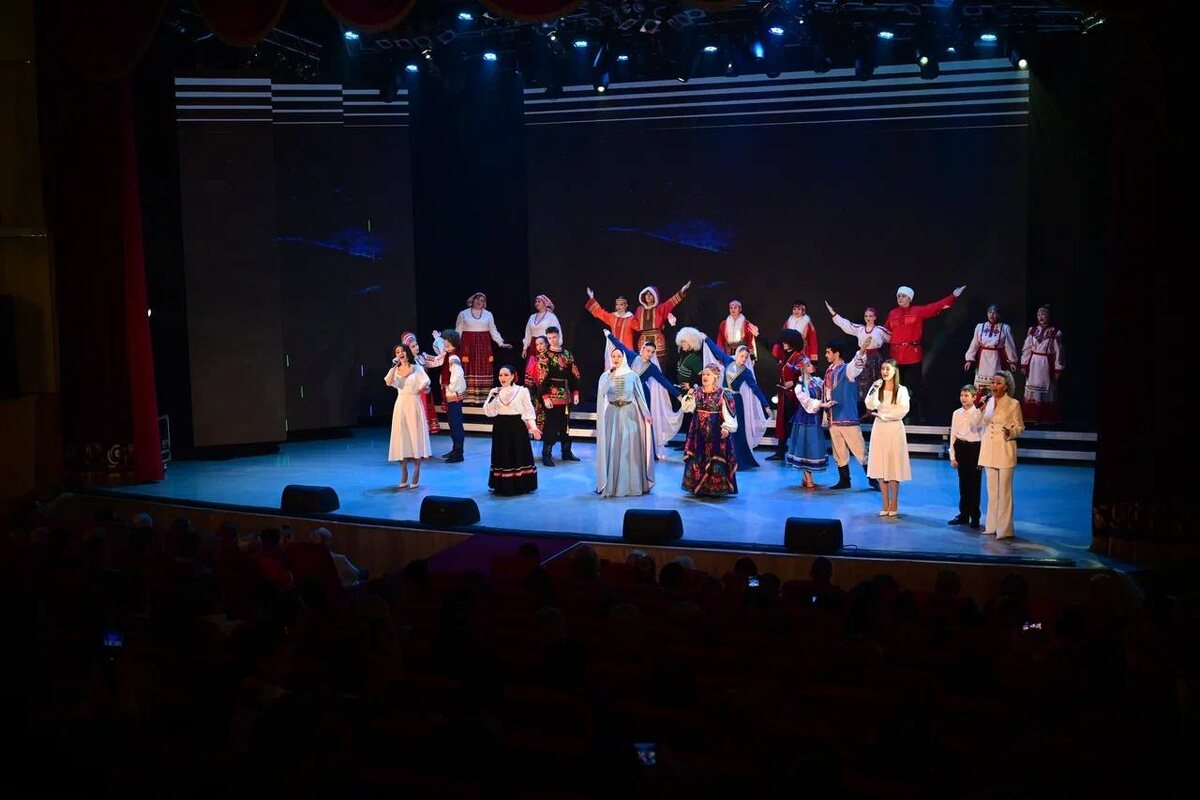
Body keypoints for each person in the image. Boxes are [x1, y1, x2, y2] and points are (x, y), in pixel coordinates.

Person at [884, 284, 966, 422]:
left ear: (909, 298)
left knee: (915, 388)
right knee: (896, 388)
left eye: (903, 296)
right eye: (898, 296)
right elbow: (885, 331)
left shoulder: (917, 311)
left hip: (912, 356)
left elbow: (935, 307)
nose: (900, 298)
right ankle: (897, 415)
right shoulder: (892, 313)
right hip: (896, 357)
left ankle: (917, 416)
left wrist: (953, 296)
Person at [606, 331, 683, 460]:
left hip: (642, 394)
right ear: (642, 349)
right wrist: (609, 336)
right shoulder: (632, 356)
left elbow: (664, 381)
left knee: (644, 422)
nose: (650, 354)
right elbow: (620, 345)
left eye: (652, 352)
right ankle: (629, 451)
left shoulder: (652, 367)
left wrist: (678, 395)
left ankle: (648, 451)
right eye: (648, 351)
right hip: (627, 393)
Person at [594, 348, 655, 497]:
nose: (616, 359)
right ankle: (612, 485)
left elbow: (639, 396)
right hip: (612, 414)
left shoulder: (632, 375)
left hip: (629, 413)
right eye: (613, 356)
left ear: (623, 358)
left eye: (619, 356)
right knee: (613, 447)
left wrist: (646, 414)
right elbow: (601, 394)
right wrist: (611, 376)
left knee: (629, 448)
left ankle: (631, 485)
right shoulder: (605, 376)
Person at [703, 337, 771, 469]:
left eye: (746, 357)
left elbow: (755, 389)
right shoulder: (728, 361)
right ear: (737, 354)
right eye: (742, 356)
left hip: (735, 401)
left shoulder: (746, 372)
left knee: (735, 430)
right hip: (723, 399)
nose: (744, 359)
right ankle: (721, 458)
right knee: (721, 427)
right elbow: (717, 350)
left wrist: (766, 405)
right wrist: (706, 339)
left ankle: (735, 459)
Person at [820, 339, 876, 490]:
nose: (826, 355)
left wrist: (862, 350)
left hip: (847, 417)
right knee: (839, 451)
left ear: (836, 353)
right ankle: (844, 480)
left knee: (860, 450)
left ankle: (873, 480)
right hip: (833, 418)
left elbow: (857, 364)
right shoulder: (829, 371)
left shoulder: (847, 370)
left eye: (828, 352)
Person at [680, 363, 739, 496]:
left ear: (715, 377)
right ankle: (700, 487)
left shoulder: (723, 393)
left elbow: (730, 413)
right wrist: (689, 396)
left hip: (715, 431)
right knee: (698, 457)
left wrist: (727, 427)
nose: (705, 377)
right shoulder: (697, 392)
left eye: (708, 374)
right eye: (703, 374)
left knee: (715, 457)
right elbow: (687, 409)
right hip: (698, 432)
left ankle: (715, 489)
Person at [978, 370, 1025, 539]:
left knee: (1004, 492)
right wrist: (981, 409)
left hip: (1005, 449)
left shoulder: (1013, 404)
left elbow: (1020, 427)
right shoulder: (988, 402)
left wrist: (1010, 432)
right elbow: (979, 424)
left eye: (998, 383)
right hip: (989, 449)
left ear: (1006, 386)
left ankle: (1005, 530)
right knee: (992, 491)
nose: (994, 386)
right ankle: (991, 526)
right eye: (993, 382)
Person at [864, 359, 912, 516]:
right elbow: (869, 404)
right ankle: (885, 502)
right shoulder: (877, 386)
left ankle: (894, 502)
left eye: (888, 369)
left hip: (894, 429)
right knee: (880, 466)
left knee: (893, 466)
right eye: (883, 369)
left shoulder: (901, 390)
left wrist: (884, 416)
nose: (884, 372)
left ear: (894, 371)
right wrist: (874, 389)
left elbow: (903, 410)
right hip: (879, 429)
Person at [482, 365, 541, 496]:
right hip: (500, 428)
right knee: (502, 455)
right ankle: (502, 485)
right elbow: (488, 412)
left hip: (517, 427)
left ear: (513, 376)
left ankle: (520, 485)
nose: (502, 378)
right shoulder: (495, 391)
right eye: (500, 375)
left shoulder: (522, 391)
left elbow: (528, 411)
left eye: (506, 375)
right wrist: (492, 398)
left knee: (517, 454)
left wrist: (533, 428)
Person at [826, 300, 890, 405]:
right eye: (866, 316)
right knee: (862, 383)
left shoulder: (880, 330)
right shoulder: (860, 329)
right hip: (863, 358)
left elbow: (893, 338)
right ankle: (863, 407)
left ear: (875, 317)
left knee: (876, 382)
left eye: (870, 316)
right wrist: (833, 313)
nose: (868, 318)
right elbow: (847, 325)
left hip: (875, 359)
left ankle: (875, 406)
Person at [385, 345, 432, 488]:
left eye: (402, 351)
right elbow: (388, 382)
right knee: (402, 437)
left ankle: (417, 471)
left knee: (414, 436)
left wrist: (422, 388)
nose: (400, 353)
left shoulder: (416, 368)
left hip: (413, 404)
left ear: (407, 352)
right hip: (401, 405)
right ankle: (404, 472)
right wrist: (394, 366)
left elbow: (426, 384)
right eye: (397, 352)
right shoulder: (395, 370)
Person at [455, 292, 513, 404]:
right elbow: (458, 330)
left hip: (483, 345)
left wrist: (500, 343)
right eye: (477, 299)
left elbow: (493, 330)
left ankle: (484, 397)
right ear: (473, 300)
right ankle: (469, 398)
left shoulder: (488, 314)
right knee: (468, 367)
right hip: (468, 345)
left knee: (483, 368)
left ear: (484, 303)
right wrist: (454, 343)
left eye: (482, 300)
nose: (479, 302)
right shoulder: (463, 314)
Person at [538, 326, 581, 466]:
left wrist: (575, 392)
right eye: (549, 338)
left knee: (566, 425)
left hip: (566, 395)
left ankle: (566, 452)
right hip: (552, 395)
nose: (552, 340)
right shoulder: (545, 356)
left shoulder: (567, 354)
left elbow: (574, 375)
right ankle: (546, 455)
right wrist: (545, 397)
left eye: (554, 337)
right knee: (551, 425)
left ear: (559, 336)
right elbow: (541, 378)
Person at [785, 356, 828, 489]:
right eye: (808, 365)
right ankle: (808, 477)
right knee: (805, 446)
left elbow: (827, 387)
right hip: (805, 419)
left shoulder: (817, 381)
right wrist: (822, 404)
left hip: (815, 419)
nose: (812, 366)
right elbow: (807, 402)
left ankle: (806, 477)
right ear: (803, 369)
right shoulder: (799, 387)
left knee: (813, 446)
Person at [1020, 304, 1064, 425]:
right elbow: (1027, 348)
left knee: (1047, 389)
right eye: (1039, 315)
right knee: (1032, 389)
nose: (1041, 317)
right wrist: (1024, 364)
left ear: (1049, 316)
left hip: (1046, 363)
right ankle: (1032, 416)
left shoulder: (1055, 332)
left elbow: (1058, 352)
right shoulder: (1033, 330)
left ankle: (1045, 417)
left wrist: (1058, 368)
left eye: (1043, 314)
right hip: (1034, 363)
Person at [948, 384, 984, 529]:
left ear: (974, 397)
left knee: (974, 484)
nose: (963, 398)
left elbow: (982, 434)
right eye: (962, 395)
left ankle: (975, 516)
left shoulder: (979, 414)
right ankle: (964, 514)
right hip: (961, 447)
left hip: (974, 449)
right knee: (963, 484)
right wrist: (952, 455)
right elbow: (953, 434)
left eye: (967, 395)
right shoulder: (956, 413)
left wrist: (982, 458)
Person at [769, 329, 807, 460]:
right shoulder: (784, 355)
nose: (784, 344)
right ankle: (780, 452)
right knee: (782, 423)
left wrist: (794, 382)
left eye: (786, 341)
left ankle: (797, 452)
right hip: (784, 395)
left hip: (796, 396)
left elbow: (808, 378)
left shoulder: (800, 357)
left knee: (795, 423)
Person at [964, 303, 1019, 395]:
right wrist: (969, 360)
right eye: (990, 312)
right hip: (983, 360)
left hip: (996, 360)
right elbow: (974, 344)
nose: (992, 314)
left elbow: (1009, 345)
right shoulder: (980, 327)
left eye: (994, 312)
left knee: (996, 385)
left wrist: (1012, 361)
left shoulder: (1004, 328)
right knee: (981, 388)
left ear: (998, 314)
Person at [635, 282, 691, 358]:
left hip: (657, 339)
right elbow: (634, 323)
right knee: (643, 361)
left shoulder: (660, 308)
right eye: (646, 294)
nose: (648, 296)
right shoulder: (639, 309)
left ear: (655, 296)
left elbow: (671, 302)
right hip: (643, 340)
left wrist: (681, 291)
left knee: (659, 361)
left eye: (651, 294)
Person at [671, 327, 705, 450]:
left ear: (692, 342)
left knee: (691, 419)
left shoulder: (695, 359)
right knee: (686, 419)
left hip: (691, 393)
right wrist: (673, 326)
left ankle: (691, 445)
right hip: (683, 392)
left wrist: (691, 386)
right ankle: (687, 443)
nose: (683, 344)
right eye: (682, 342)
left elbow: (702, 377)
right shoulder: (683, 355)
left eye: (685, 342)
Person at [401, 332, 441, 436]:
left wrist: (438, 340)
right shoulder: (405, 363)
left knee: (424, 415)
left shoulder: (423, 358)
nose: (416, 347)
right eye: (413, 346)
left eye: (416, 345)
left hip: (425, 390)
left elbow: (439, 360)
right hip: (415, 392)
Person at [585, 287, 638, 359]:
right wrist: (592, 298)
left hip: (627, 349)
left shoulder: (631, 318)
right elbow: (601, 313)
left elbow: (640, 327)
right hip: (614, 348)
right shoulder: (613, 317)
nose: (618, 307)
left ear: (626, 306)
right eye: (617, 304)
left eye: (621, 304)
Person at [523, 334, 550, 434]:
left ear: (547, 344)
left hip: (549, 389)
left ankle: (548, 433)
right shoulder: (534, 359)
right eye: (537, 344)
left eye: (541, 344)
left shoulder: (552, 359)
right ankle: (537, 432)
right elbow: (529, 377)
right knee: (536, 409)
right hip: (536, 390)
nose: (539, 346)